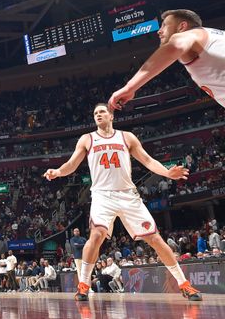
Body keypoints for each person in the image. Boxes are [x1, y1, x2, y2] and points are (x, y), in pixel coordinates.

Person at [44, 104, 202, 301]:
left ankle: (184, 284)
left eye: (102, 112)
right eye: (95, 113)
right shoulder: (87, 139)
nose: (98, 115)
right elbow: (71, 164)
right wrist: (57, 172)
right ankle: (83, 284)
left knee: (155, 239)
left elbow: (148, 160)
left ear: (111, 116)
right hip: (102, 195)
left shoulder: (126, 137)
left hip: (128, 195)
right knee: (96, 235)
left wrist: (167, 172)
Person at [109, 9, 225, 110]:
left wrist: (129, 88)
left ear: (182, 27)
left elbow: (174, 47)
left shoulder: (190, 35)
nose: (159, 31)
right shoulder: (212, 35)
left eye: (164, 25)